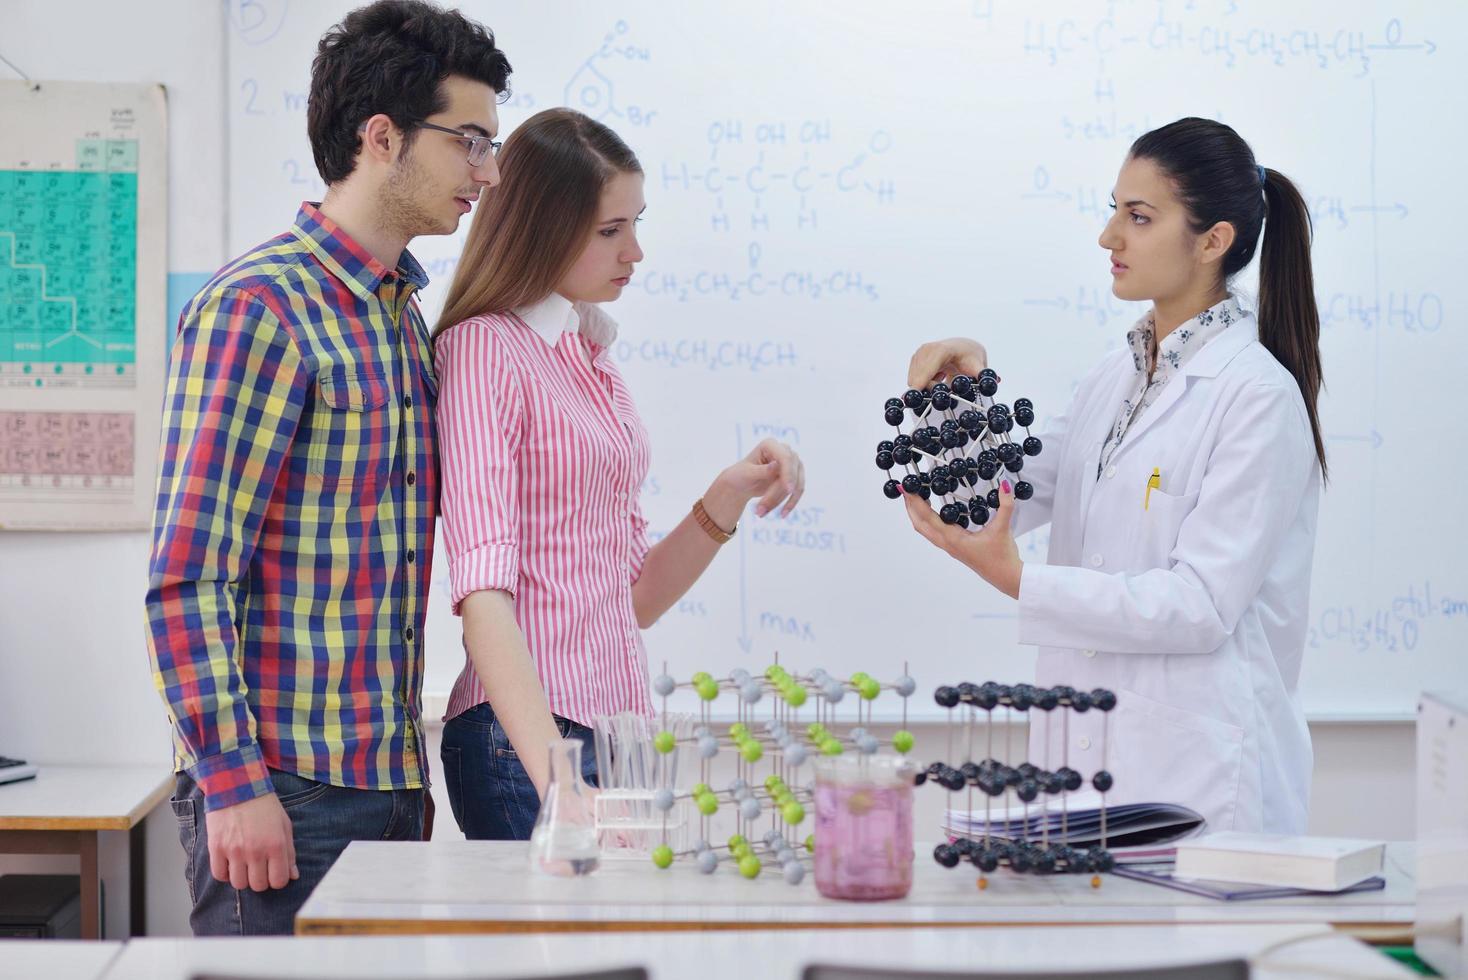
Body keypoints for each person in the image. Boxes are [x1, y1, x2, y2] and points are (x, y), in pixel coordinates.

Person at [145, 0, 510, 934]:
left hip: (390, 781)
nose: (489, 171)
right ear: (381, 136)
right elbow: (189, 575)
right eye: (470, 140)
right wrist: (231, 786)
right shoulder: (259, 307)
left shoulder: (397, 316)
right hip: (286, 796)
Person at [904, 117, 1324, 834]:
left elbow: (1200, 606)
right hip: (1088, 763)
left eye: (1139, 217)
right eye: (1114, 210)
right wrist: (963, 400)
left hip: (1199, 780)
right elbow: (1004, 497)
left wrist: (1020, 582)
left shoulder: (1256, 396)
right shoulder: (1120, 375)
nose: (1109, 237)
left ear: (1212, 241)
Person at [432, 108, 805, 839]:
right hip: (526, 744)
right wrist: (560, 780)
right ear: (541, 226)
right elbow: (482, 593)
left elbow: (633, 600)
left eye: (636, 223)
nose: (635, 251)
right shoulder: (485, 350)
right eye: (610, 230)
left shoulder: (592, 359)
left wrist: (727, 495)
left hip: (607, 733)